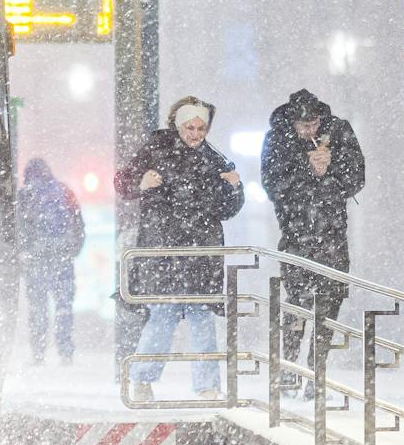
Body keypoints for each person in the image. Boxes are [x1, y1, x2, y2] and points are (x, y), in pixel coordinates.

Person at [115, 96, 246, 400]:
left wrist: (234, 188)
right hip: (166, 252)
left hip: (199, 254)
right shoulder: (156, 149)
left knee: (200, 319)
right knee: (164, 316)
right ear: (178, 124)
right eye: (190, 127)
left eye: (201, 128)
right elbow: (122, 182)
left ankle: (206, 386)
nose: (195, 134)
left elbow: (227, 209)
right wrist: (141, 183)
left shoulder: (215, 160)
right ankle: (143, 380)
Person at [260, 88, 366, 393]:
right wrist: (306, 168)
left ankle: (315, 371)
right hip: (296, 234)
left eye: (315, 124)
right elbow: (272, 184)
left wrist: (331, 166)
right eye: (304, 126)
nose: (310, 130)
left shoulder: (340, 131)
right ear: (292, 122)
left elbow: (356, 178)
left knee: (330, 302)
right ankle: (289, 368)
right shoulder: (277, 138)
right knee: (297, 301)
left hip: (332, 233)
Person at [18, 158, 85, 366]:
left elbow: (18, 227)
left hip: (36, 259)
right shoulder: (64, 191)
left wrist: (24, 253)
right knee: (63, 306)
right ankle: (65, 352)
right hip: (62, 257)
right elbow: (78, 223)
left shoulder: (24, 194)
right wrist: (73, 249)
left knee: (38, 307)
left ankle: (38, 353)